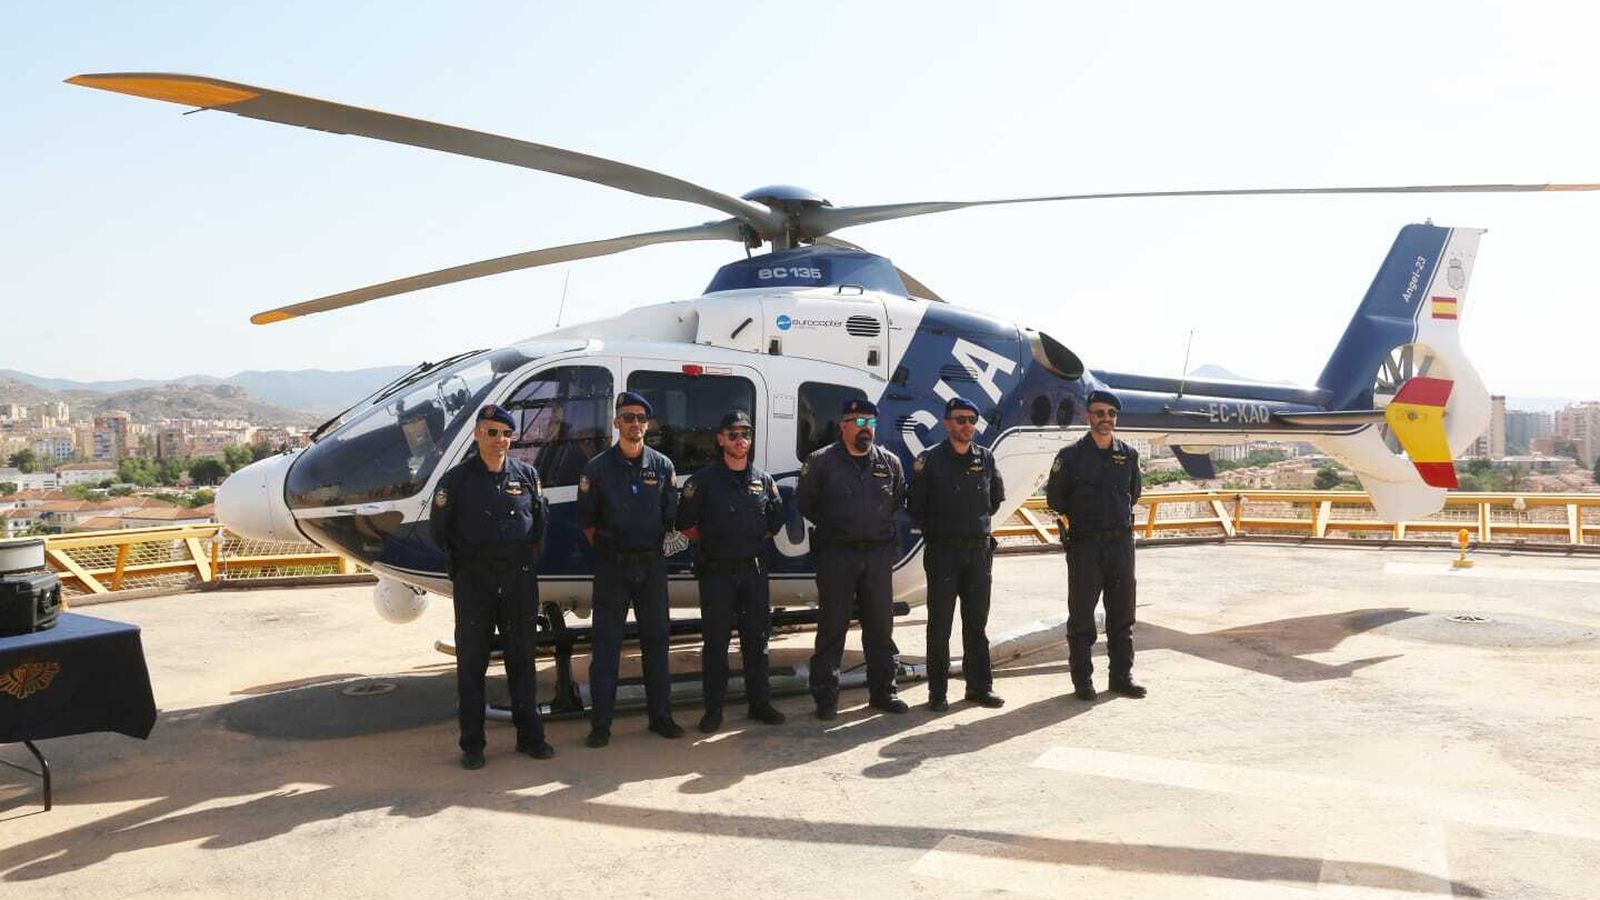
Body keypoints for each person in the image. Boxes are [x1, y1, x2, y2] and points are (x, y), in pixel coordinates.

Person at [429, 404, 553, 769]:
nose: (500, 440)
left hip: (518, 581)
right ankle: (473, 745)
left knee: (522, 662)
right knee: (472, 665)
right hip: (475, 583)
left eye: (506, 434)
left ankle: (530, 737)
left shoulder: (527, 475)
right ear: (477, 435)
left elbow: (539, 525)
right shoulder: (456, 481)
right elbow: (440, 531)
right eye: (492, 432)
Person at [577, 391, 683, 747]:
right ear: (616, 422)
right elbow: (588, 524)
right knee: (606, 646)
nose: (634, 423)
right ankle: (601, 725)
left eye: (640, 417)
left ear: (647, 424)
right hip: (613, 569)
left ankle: (661, 717)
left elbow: (672, 518)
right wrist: (614, 551)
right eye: (628, 417)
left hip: (651, 566)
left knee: (657, 643)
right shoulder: (597, 469)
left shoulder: (663, 466)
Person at [675, 410, 788, 733]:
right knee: (716, 645)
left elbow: (774, 523)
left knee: (757, 642)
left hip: (752, 572)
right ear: (721, 439)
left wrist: (747, 541)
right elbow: (685, 524)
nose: (741, 441)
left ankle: (760, 704)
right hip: (716, 574)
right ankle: (713, 711)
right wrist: (715, 542)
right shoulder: (703, 482)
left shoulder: (763, 480)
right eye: (734, 434)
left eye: (746, 434)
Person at [795, 397, 908, 719]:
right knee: (832, 628)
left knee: (880, 628)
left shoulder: (889, 463)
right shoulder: (820, 462)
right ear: (843, 425)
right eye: (858, 422)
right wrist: (838, 526)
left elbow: (897, 501)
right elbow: (806, 503)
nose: (866, 429)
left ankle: (883, 693)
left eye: (870, 423)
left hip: (876, 556)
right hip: (837, 555)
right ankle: (826, 699)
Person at [1044, 389, 1146, 701]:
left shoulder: (1127, 455)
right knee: (1082, 618)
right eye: (1099, 413)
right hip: (1085, 547)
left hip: (1120, 546)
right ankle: (1083, 682)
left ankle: (1121, 677)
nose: (1106, 419)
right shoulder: (1070, 456)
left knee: (1122, 615)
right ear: (1088, 416)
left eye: (1111, 414)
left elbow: (1134, 493)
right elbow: (1055, 500)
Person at [906, 396, 1005, 712]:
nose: (966, 426)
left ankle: (979, 688)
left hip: (977, 553)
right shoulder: (929, 460)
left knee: (976, 625)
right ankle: (938, 693)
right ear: (946, 423)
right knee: (940, 626)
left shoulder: (985, 458)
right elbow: (915, 507)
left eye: (971, 420)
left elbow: (994, 499)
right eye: (959, 419)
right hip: (943, 553)